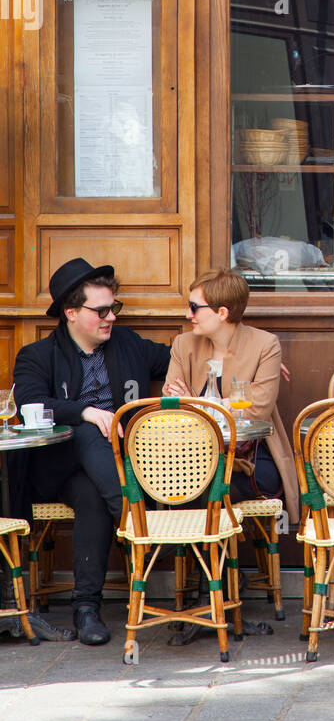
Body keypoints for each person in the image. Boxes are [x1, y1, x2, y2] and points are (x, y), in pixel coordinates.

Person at [13, 259, 171, 645]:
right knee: (85, 433)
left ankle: (86, 609)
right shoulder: (37, 355)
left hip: (105, 471)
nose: (110, 318)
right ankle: (136, 521)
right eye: (101, 311)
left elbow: (177, 357)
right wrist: (85, 411)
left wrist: (244, 362)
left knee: (92, 498)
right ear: (71, 313)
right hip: (55, 466)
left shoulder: (129, 344)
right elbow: (30, 402)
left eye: (113, 308)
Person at [163, 269, 299, 520]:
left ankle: (198, 554)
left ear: (222, 313)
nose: (187, 314)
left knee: (205, 487)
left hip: (250, 462)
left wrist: (196, 402)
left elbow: (257, 410)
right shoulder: (184, 344)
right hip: (193, 457)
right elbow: (172, 403)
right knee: (190, 481)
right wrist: (227, 404)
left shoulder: (264, 345)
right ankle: (203, 556)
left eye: (194, 307)